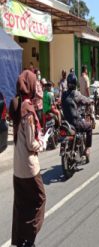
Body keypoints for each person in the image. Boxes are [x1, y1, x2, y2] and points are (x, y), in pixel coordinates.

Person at [9, 70, 46, 247]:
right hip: (30, 168)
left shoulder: (15, 105)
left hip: (17, 168)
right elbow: (32, 144)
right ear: (30, 86)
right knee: (40, 199)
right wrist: (43, 144)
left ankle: (19, 240)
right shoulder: (28, 110)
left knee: (21, 205)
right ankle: (30, 238)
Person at [62, 73, 93, 156]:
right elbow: (85, 100)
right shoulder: (76, 94)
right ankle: (87, 148)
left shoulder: (63, 94)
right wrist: (90, 101)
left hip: (65, 123)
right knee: (89, 127)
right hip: (75, 123)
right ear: (75, 83)